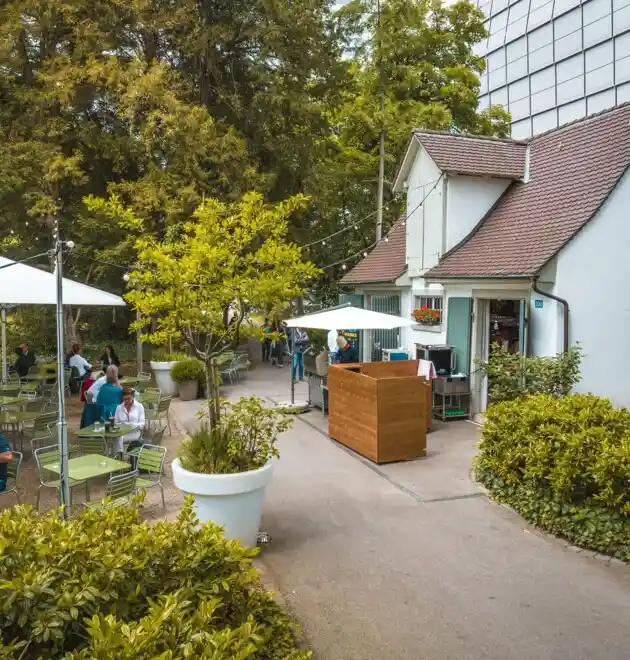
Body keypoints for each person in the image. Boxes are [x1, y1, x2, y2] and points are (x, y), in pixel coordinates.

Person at [113, 387, 145, 454]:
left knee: (118, 438)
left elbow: (142, 423)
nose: (127, 401)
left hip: (135, 432)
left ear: (132, 397)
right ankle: (119, 454)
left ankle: (118, 455)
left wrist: (132, 426)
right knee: (117, 437)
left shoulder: (139, 406)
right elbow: (115, 423)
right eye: (125, 399)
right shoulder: (119, 408)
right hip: (122, 432)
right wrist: (122, 426)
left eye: (128, 399)